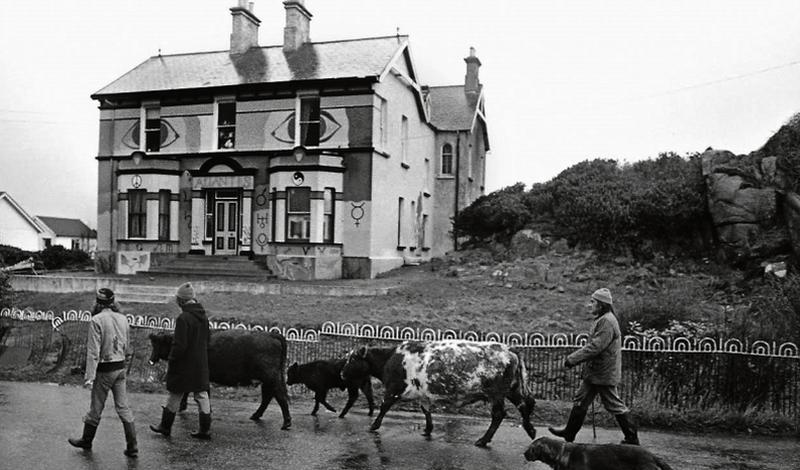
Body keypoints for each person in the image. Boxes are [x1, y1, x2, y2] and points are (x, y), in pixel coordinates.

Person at [548, 288, 640, 445]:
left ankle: (632, 438)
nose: (589, 305)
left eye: (593, 302)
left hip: (603, 373)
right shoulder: (604, 319)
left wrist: (572, 359)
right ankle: (569, 433)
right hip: (596, 373)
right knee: (581, 400)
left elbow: (595, 347)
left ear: (602, 305)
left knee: (614, 404)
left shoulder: (607, 321)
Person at [68, 288, 138, 458]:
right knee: (123, 407)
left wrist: (89, 377)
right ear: (113, 302)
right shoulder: (123, 318)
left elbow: (93, 351)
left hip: (105, 369)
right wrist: (125, 359)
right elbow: (128, 346)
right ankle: (132, 446)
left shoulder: (96, 320)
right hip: (120, 367)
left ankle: (86, 440)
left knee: (96, 407)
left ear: (98, 303)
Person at [150, 282, 212, 439]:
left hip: (185, 363)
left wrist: (172, 359)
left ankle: (165, 426)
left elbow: (180, 345)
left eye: (178, 299)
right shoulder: (203, 316)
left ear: (181, 300)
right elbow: (207, 338)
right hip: (200, 362)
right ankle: (205, 429)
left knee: (176, 392)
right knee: (202, 394)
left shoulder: (183, 318)